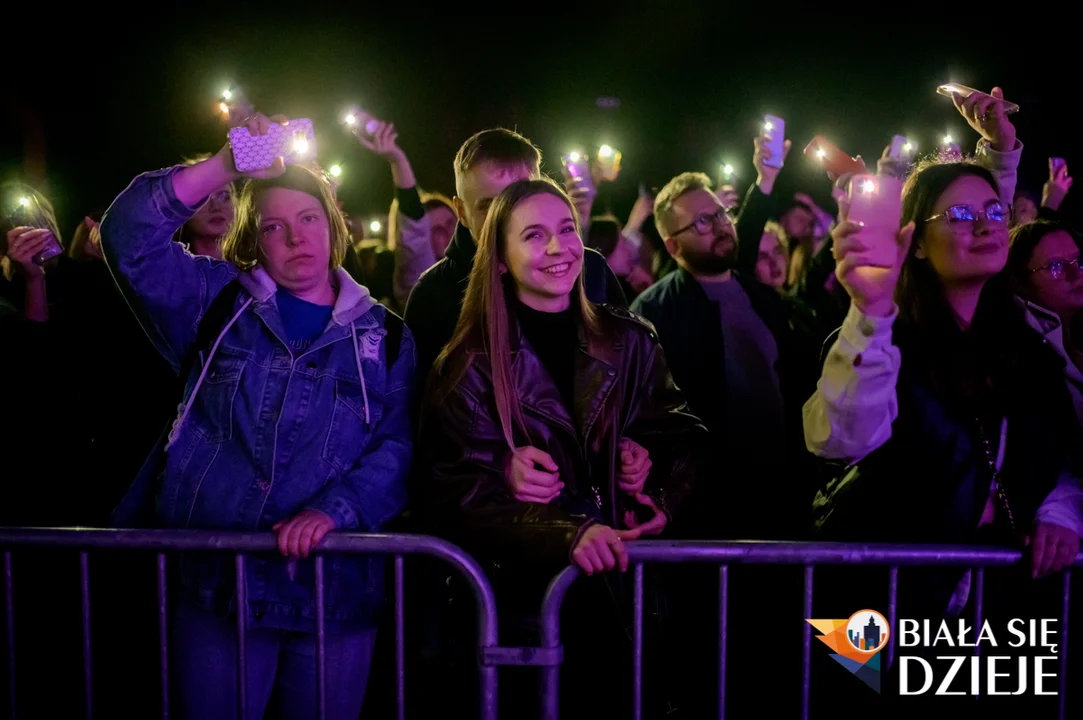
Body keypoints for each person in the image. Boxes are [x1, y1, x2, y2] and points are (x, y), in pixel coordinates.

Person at [101, 113, 414, 720]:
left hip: (334, 591)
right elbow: (127, 238)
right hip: (220, 584)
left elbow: (398, 448)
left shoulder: (386, 338)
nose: (295, 238)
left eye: (308, 220)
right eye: (274, 226)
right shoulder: (213, 304)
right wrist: (226, 164)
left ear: (333, 227)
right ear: (254, 239)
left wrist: (334, 510)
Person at [805, 93, 1082, 711]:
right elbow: (839, 439)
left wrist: (1063, 509)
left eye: (992, 211)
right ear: (917, 244)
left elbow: (1066, 450)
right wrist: (870, 311)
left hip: (994, 606)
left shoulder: (1031, 350)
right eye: (958, 214)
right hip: (873, 609)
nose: (984, 224)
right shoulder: (877, 340)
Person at [418, 177, 705, 718]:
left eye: (567, 229)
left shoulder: (631, 340)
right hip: (521, 613)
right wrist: (555, 523)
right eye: (533, 235)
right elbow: (447, 489)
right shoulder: (468, 365)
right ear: (499, 258)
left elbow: (684, 438)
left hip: (627, 603)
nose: (558, 247)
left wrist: (650, 474)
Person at [403, 128, 626, 384]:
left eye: (520, 200)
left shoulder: (590, 270)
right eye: (489, 205)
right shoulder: (433, 295)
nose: (507, 218)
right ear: (461, 212)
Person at [1007, 220, 1083, 424]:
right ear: (1020, 281)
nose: (1076, 274)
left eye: (1079, 261)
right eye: (1056, 266)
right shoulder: (1022, 359)